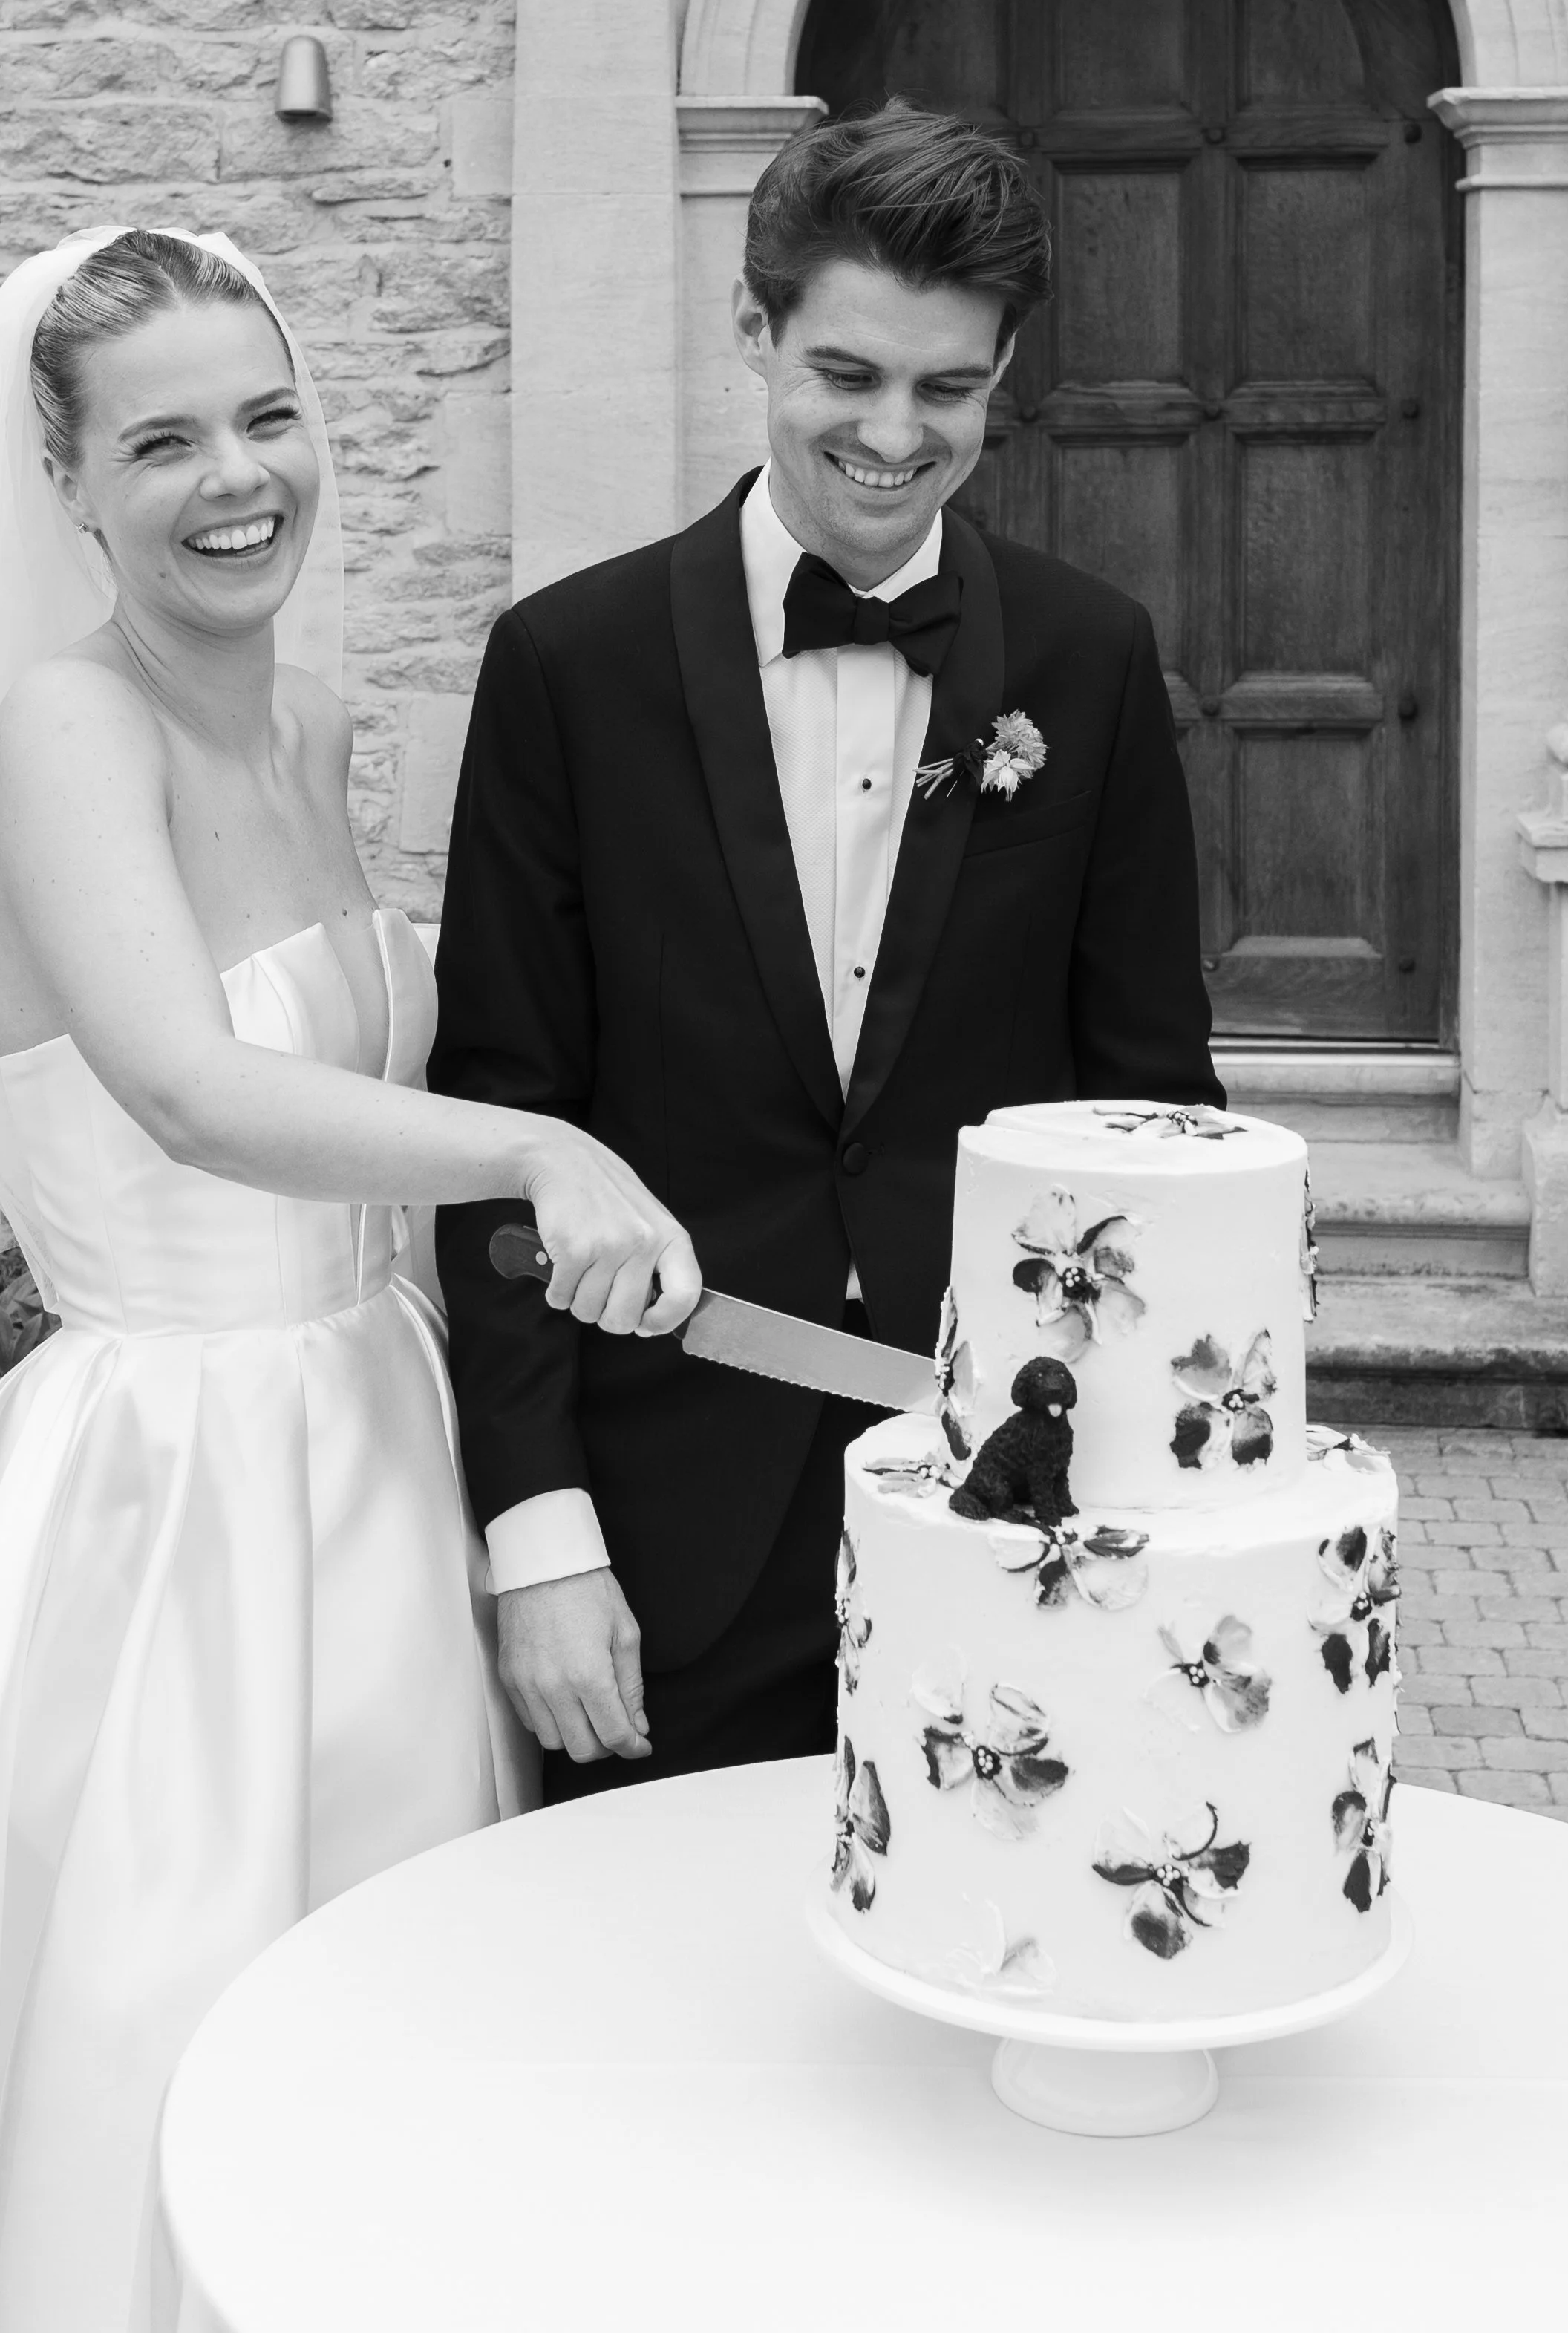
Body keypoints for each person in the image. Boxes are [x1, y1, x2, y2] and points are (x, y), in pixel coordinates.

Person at [0, 228, 699, 2333]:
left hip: (381, 1444)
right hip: (173, 1500)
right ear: (64, 482)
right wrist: (540, 1151)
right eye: (161, 440)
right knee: (163, 2017)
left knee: (386, 2019)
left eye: (268, 417)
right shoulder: (61, 736)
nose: (236, 477)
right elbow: (188, 1088)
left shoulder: (326, 720)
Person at [431, 103, 1224, 1802]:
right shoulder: (566, 667)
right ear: (752, 332)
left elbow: (1154, 1108)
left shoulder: (1087, 661)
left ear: (1001, 372)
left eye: (945, 390)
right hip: (660, 1520)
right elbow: (499, 1112)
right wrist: (537, 1534)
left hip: (1009, 1493)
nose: (892, 434)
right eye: (845, 375)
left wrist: (1169, 1478)